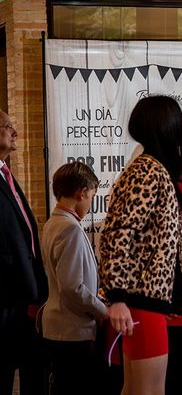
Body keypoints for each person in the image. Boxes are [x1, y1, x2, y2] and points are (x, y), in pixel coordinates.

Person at [99, 95, 182, 395]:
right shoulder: (149, 171)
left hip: (145, 299)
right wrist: (117, 296)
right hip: (139, 300)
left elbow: (159, 245)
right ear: (167, 126)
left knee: (136, 389)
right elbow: (119, 234)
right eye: (180, 122)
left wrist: (172, 295)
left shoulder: (149, 168)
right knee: (148, 391)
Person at [40, 161, 107, 395]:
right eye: (92, 196)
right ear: (82, 192)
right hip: (72, 329)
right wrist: (102, 311)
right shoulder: (70, 228)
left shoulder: (52, 223)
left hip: (59, 326)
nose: (90, 204)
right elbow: (72, 287)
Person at [0, 110, 48, 395]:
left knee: (34, 364)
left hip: (24, 294)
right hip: (5, 295)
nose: (15, 133)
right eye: (8, 127)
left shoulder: (7, 173)